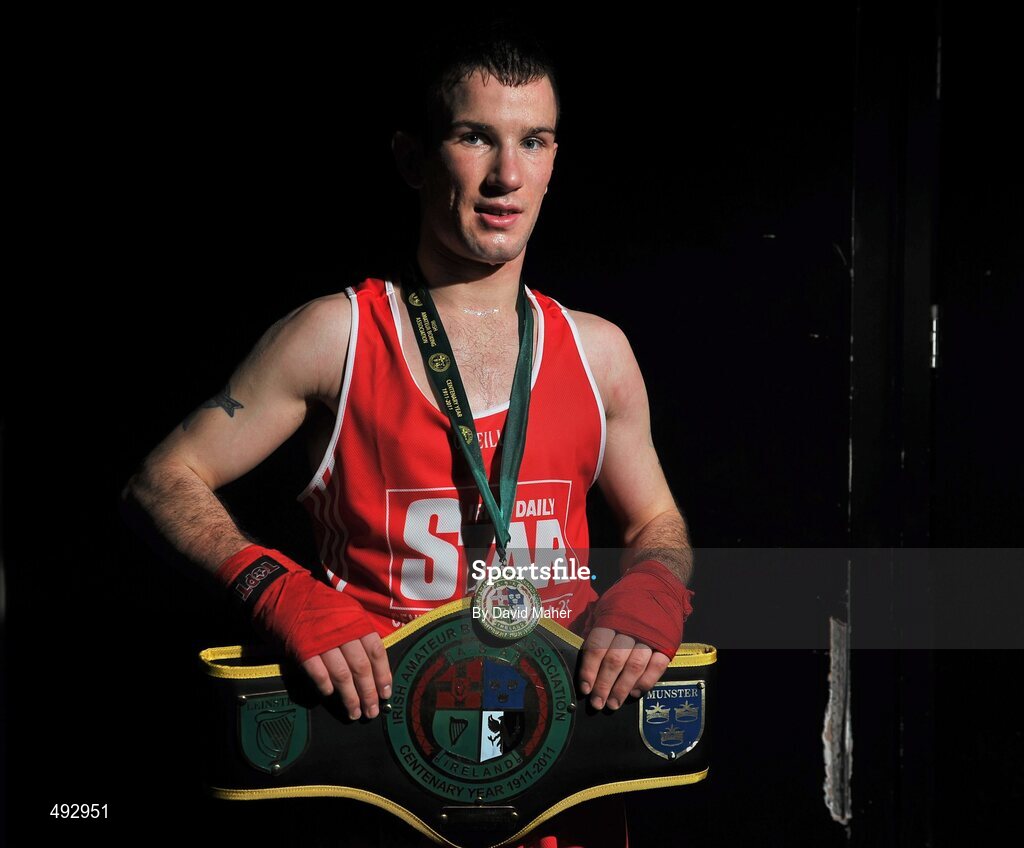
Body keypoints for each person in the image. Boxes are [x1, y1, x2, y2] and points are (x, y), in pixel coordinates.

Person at [124, 22, 694, 848]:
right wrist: (273, 587)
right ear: (412, 158)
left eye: (532, 141)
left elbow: (656, 524)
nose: (506, 175)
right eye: (474, 138)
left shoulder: (598, 352)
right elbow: (160, 481)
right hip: (381, 789)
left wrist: (655, 590)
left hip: (563, 795)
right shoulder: (337, 337)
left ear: (554, 161)